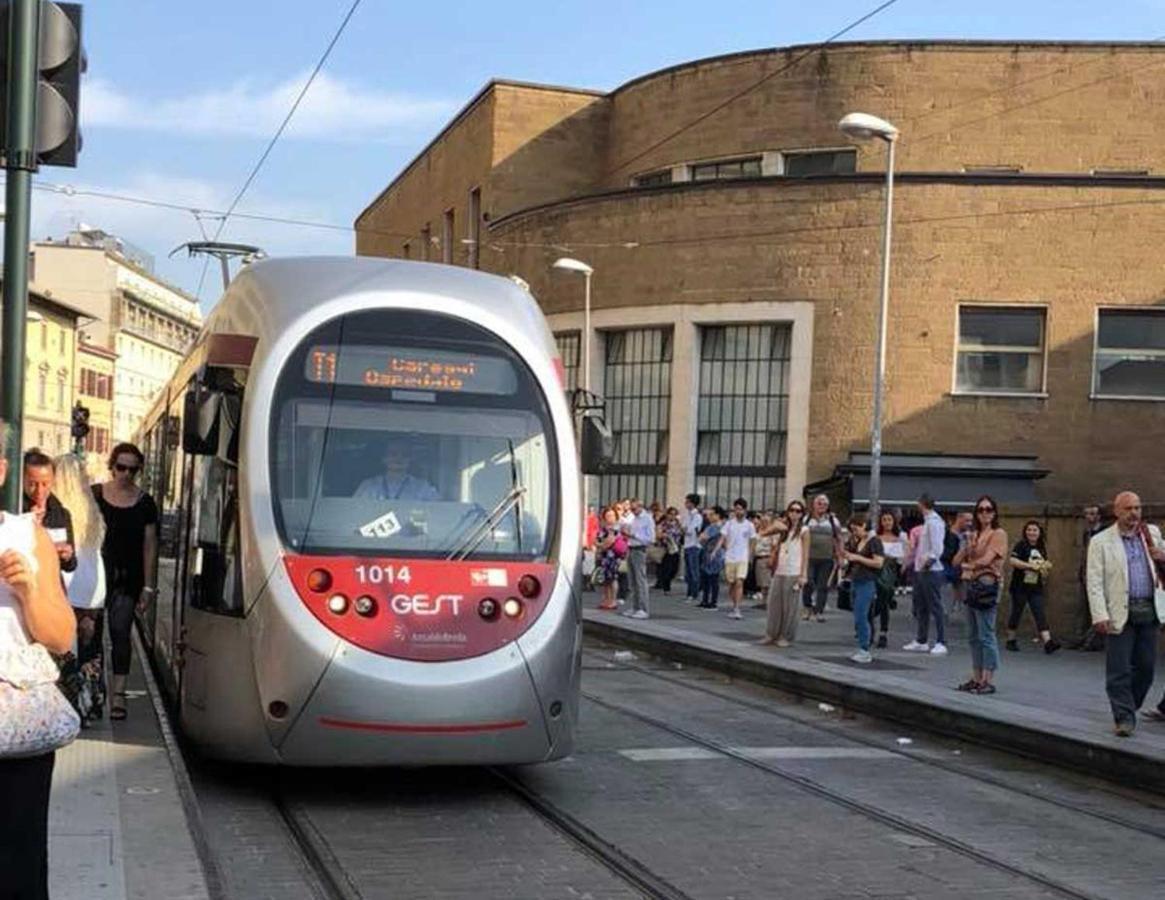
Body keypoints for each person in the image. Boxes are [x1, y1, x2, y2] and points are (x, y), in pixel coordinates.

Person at [0, 419, 76, 900]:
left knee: (17, 870)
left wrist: (28, 591)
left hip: (15, 733)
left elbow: (62, 636)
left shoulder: (28, 537)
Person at [1086, 491, 1165, 737]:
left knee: (1146, 667)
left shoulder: (1151, 533)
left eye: (1138, 508)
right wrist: (1099, 614)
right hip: (1119, 610)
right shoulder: (1101, 541)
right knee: (1119, 668)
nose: (1134, 513)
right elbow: (1094, 581)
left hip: (1149, 610)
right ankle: (1123, 716)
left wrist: (1163, 557)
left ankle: (1130, 705)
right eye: (1129, 508)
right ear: (1117, 511)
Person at [93, 443, 159, 721]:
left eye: (132, 469)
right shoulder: (95, 494)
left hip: (127, 579)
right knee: (91, 634)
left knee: (120, 632)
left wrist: (148, 586)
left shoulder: (145, 503)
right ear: (112, 466)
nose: (126, 474)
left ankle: (118, 694)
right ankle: (93, 688)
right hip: (95, 575)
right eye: (121, 467)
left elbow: (150, 545)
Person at [54, 453, 108, 719]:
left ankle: (70, 704)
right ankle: (91, 702)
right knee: (89, 649)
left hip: (68, 586)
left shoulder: (57, 510)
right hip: (93, 589)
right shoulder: (92, 510)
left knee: (65, 651)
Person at [953, 495, 1008, 695]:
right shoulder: (973, 534)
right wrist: (966, 547)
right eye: (981, 510)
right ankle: (976, 677)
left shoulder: (998, 533)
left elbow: (987, 559)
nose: (985, 513)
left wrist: (970, 564)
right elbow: (955, 561)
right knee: (973, 635)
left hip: (986, 584)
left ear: (994, 513)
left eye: (989, 509)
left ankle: (988, 679)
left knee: (986, 633)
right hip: (970, 584)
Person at [1006, 521, 1061, 654]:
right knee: (1016, 612)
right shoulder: (1021, 545)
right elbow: (1013, 561)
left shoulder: (1041, 547)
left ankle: (1048, 642)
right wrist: (1029, 566)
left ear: (1039, 532)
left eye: (1034, 530)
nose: (1031, 532)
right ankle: (1011, 639)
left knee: (1039, 613)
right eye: (1029, 530)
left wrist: (1044, 568)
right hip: (1020, 585)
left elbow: (1042, 562)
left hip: (1035, 586)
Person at [903, 493, 948, 656]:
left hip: (930, 570)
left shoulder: (935, 523)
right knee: (921, 606)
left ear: (922, 504)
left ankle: (941, 641)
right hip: (921, 569)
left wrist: (928, 563)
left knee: (935, 605)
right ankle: (921, 640)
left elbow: (937, 548)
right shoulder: (928, 522)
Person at [760, 500, 808, 647]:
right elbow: (762, 533)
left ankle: (786, 635)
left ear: (802, 514)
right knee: (774, 604)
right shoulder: (782, 528)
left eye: (798, 511)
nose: (794, 513)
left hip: (794, 570)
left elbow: (805, 554)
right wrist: (776, 525)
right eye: (792, 510)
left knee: (791, 607)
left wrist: (803, 574)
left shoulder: (804, 530)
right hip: (780, 570)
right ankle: (771, 633)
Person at [23, 450, 77, 576]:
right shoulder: (12, 510)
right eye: (32, 484)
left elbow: (71, 565)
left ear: (53, 481)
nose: (39, 490)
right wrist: (27, 523)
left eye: (45, 484)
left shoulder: (62, 514)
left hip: (49, 587)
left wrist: (67, 557)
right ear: (23, 480)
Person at [842, 516, 884, 664]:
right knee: (857, 614)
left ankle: (865, 648)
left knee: (862, 614)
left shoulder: (874, 541)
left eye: (856, 529)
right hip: (856, 580)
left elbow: (878, 563)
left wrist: (858, 558)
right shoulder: (858, 541)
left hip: (867, 581)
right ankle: (861, 646)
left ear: (864, 525)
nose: (855, 532)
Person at [353, 437, 439, 501]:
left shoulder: (422, 486)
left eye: (405, 454)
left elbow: (435, 512)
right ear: (384, 458)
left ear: (411, 459)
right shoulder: (369, 486)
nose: (399, 458)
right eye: (393, 454)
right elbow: (357, 511)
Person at [802, 494, 842, 622]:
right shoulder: (806, 519)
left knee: (823, 585)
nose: (822, 506)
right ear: (813, 504)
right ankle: (807, 607)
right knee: (808, 582)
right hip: (808, 557)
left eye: (825, 504)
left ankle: (818, 611)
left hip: (826, 558)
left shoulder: (833, 521)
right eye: (819, 503)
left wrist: (840, 555)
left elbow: (838, 538)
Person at [1071, 504, 1105, 650]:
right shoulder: (1087, 533)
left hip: (1099, 576)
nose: (1090, 517)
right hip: (1085, 574)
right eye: (1087, 514)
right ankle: (1080, 638)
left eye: (1093, 514)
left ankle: (1091, 642)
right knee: (1082, 609)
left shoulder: (1103, 533)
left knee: (1096, 610)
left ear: (1099, 516)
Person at [873, 511, 905, 649]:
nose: (887, 523)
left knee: (885, 601)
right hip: (877, 571)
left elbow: (902, 557)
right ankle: (869, 625)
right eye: (884, 520)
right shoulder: (876, 538)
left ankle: (883, 632)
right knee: (877, 600)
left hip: (891, 572)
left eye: (889, 520)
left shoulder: (900, 538)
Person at [721, 498, 757, 621]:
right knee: (731, 583)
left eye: (740, 509)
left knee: (739, 581)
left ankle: (737, 608)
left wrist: (750, 555)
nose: (738, 511)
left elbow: (753, 540)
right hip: (730, 557)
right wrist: (723, 548)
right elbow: (723, 537)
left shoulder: (750, 525)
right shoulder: (729, 523)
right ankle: (734, 604)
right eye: (736, 509)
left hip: (742, 557)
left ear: (745, 510)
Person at [621, 498, 654, 620]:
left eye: (634, 509)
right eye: (632, 509)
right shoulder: (634, 519)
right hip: (631, 548)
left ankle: (643, 608)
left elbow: (650, 538)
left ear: (641, 507)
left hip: (640, 549)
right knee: (632, 580)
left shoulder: (647, 519)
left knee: (640, 580)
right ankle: (635, 606)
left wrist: (633, 535)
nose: (633, 511)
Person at [593, 507, 624, 611]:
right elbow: (596, 541)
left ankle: (613, 600)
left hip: (613, 557)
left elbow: (609, 542)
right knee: (606, 579)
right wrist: (601, 545)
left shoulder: (615, 529)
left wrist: (601, 545)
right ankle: (606, 599)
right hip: (604, 556)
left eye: (611, 516)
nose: (609, 518)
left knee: (612, 578)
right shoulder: (603, 529)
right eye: (607, 516)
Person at [698, 506, 726, 609]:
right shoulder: (710, 526)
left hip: (716, 554)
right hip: (707, 552)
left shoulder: (719, 526)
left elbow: (704, 537)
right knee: (705, 577)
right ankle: (705, 600)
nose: (709, 517)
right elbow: (701, 538)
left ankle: (713, 601)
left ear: (718, 515)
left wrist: (703, 537)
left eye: (712, 514)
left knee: (713, 578)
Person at [653, 507, 683, 594]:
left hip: (676, 548)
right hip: (666, 548)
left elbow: (682, 533)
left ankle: (667, 581)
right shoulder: (663, 524)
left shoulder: (677, 524)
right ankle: (666, 587)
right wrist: (664, 535)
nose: (672, 516)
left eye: (674, 514)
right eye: (671, 514)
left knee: (675, 569)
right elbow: (657, 535)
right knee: (667, 569)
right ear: (667, 514)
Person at [681, 493, 703, 604]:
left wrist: (685, 529)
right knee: (688, 571)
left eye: (688, 502)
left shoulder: (697, 516)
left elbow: (689, 530)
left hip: (694, 545)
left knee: (694, 571)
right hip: (687, 545)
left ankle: (694, 594)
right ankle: (689, 593)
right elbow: (683, 527)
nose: (686, 503)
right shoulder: (687, 515)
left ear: (692, 503)